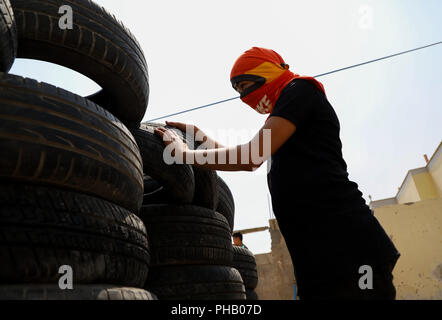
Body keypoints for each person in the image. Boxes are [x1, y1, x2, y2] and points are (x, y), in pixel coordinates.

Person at [154, 47, 400, 300]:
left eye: (246, 85)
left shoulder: (300, 90)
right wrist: (200, 137)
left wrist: (184, 154)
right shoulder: (285, 114)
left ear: (266, 72)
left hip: (350, 243)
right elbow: (250, 152)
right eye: (238, 91)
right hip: (315, 252)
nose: (244, 97)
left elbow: (251, 157)